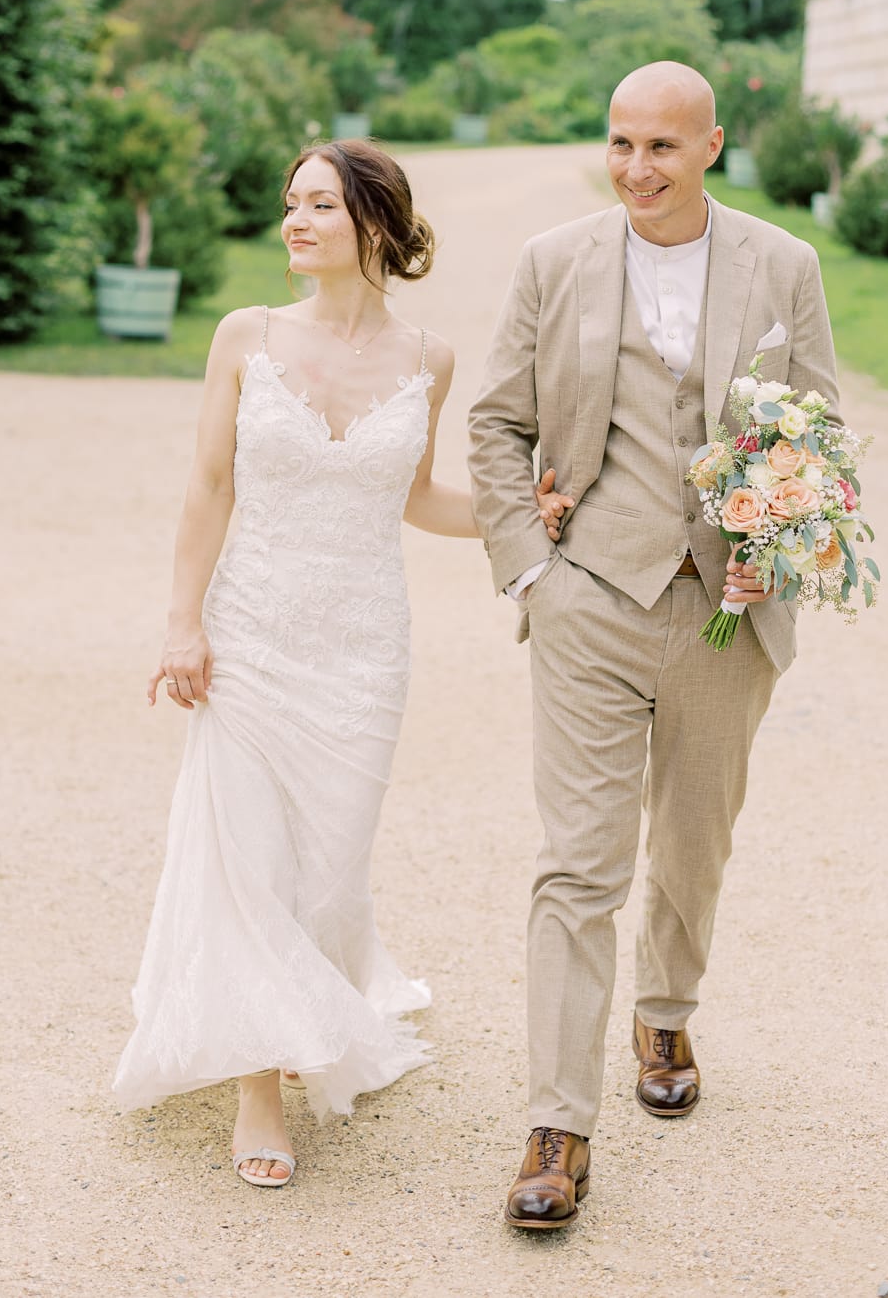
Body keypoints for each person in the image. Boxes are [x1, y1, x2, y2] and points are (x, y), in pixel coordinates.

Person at [114, 139, 565, 1188]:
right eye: (290, 204)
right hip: (252, 635)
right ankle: (259, 1088)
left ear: (374, 221)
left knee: (325, 869)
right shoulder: (246, 336)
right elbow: (208, 486)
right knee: (247, 859)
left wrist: (519, 516)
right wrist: (183, 623)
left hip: (363, 653)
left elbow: (417, 498)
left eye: (319, 204)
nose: (294, 222)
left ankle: (306, 1008)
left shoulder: (429, 360)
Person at [468, 61, 841, 1230]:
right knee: (577, 864)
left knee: (693, 840)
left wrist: (773, 552)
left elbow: (822, 436)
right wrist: (534, 567)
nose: (638, 168)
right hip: (588, 596)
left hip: (724, 611)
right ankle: (556, 1125)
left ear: (712, 147)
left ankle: (666, 1005)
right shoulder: (555, 261)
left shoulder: (785, 267)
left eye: (663, 148)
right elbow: (497, 425)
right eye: (623, 144)